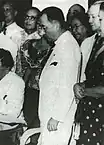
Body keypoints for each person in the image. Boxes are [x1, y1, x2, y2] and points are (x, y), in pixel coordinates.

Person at [38, 6, 81, 145]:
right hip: (49, 115)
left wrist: (57, 117)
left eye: (45, 27)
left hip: (57, 119)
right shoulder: (60, 45)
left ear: (56, 24)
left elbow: (68, 85)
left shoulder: (68, 46)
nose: (43, 32)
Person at [74, 1, 104, 145]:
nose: (92, 21)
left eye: (98, 18)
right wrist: (80, 85)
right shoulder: (97, 42)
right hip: (91, 112)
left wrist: (85, 91)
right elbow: (94, 77)